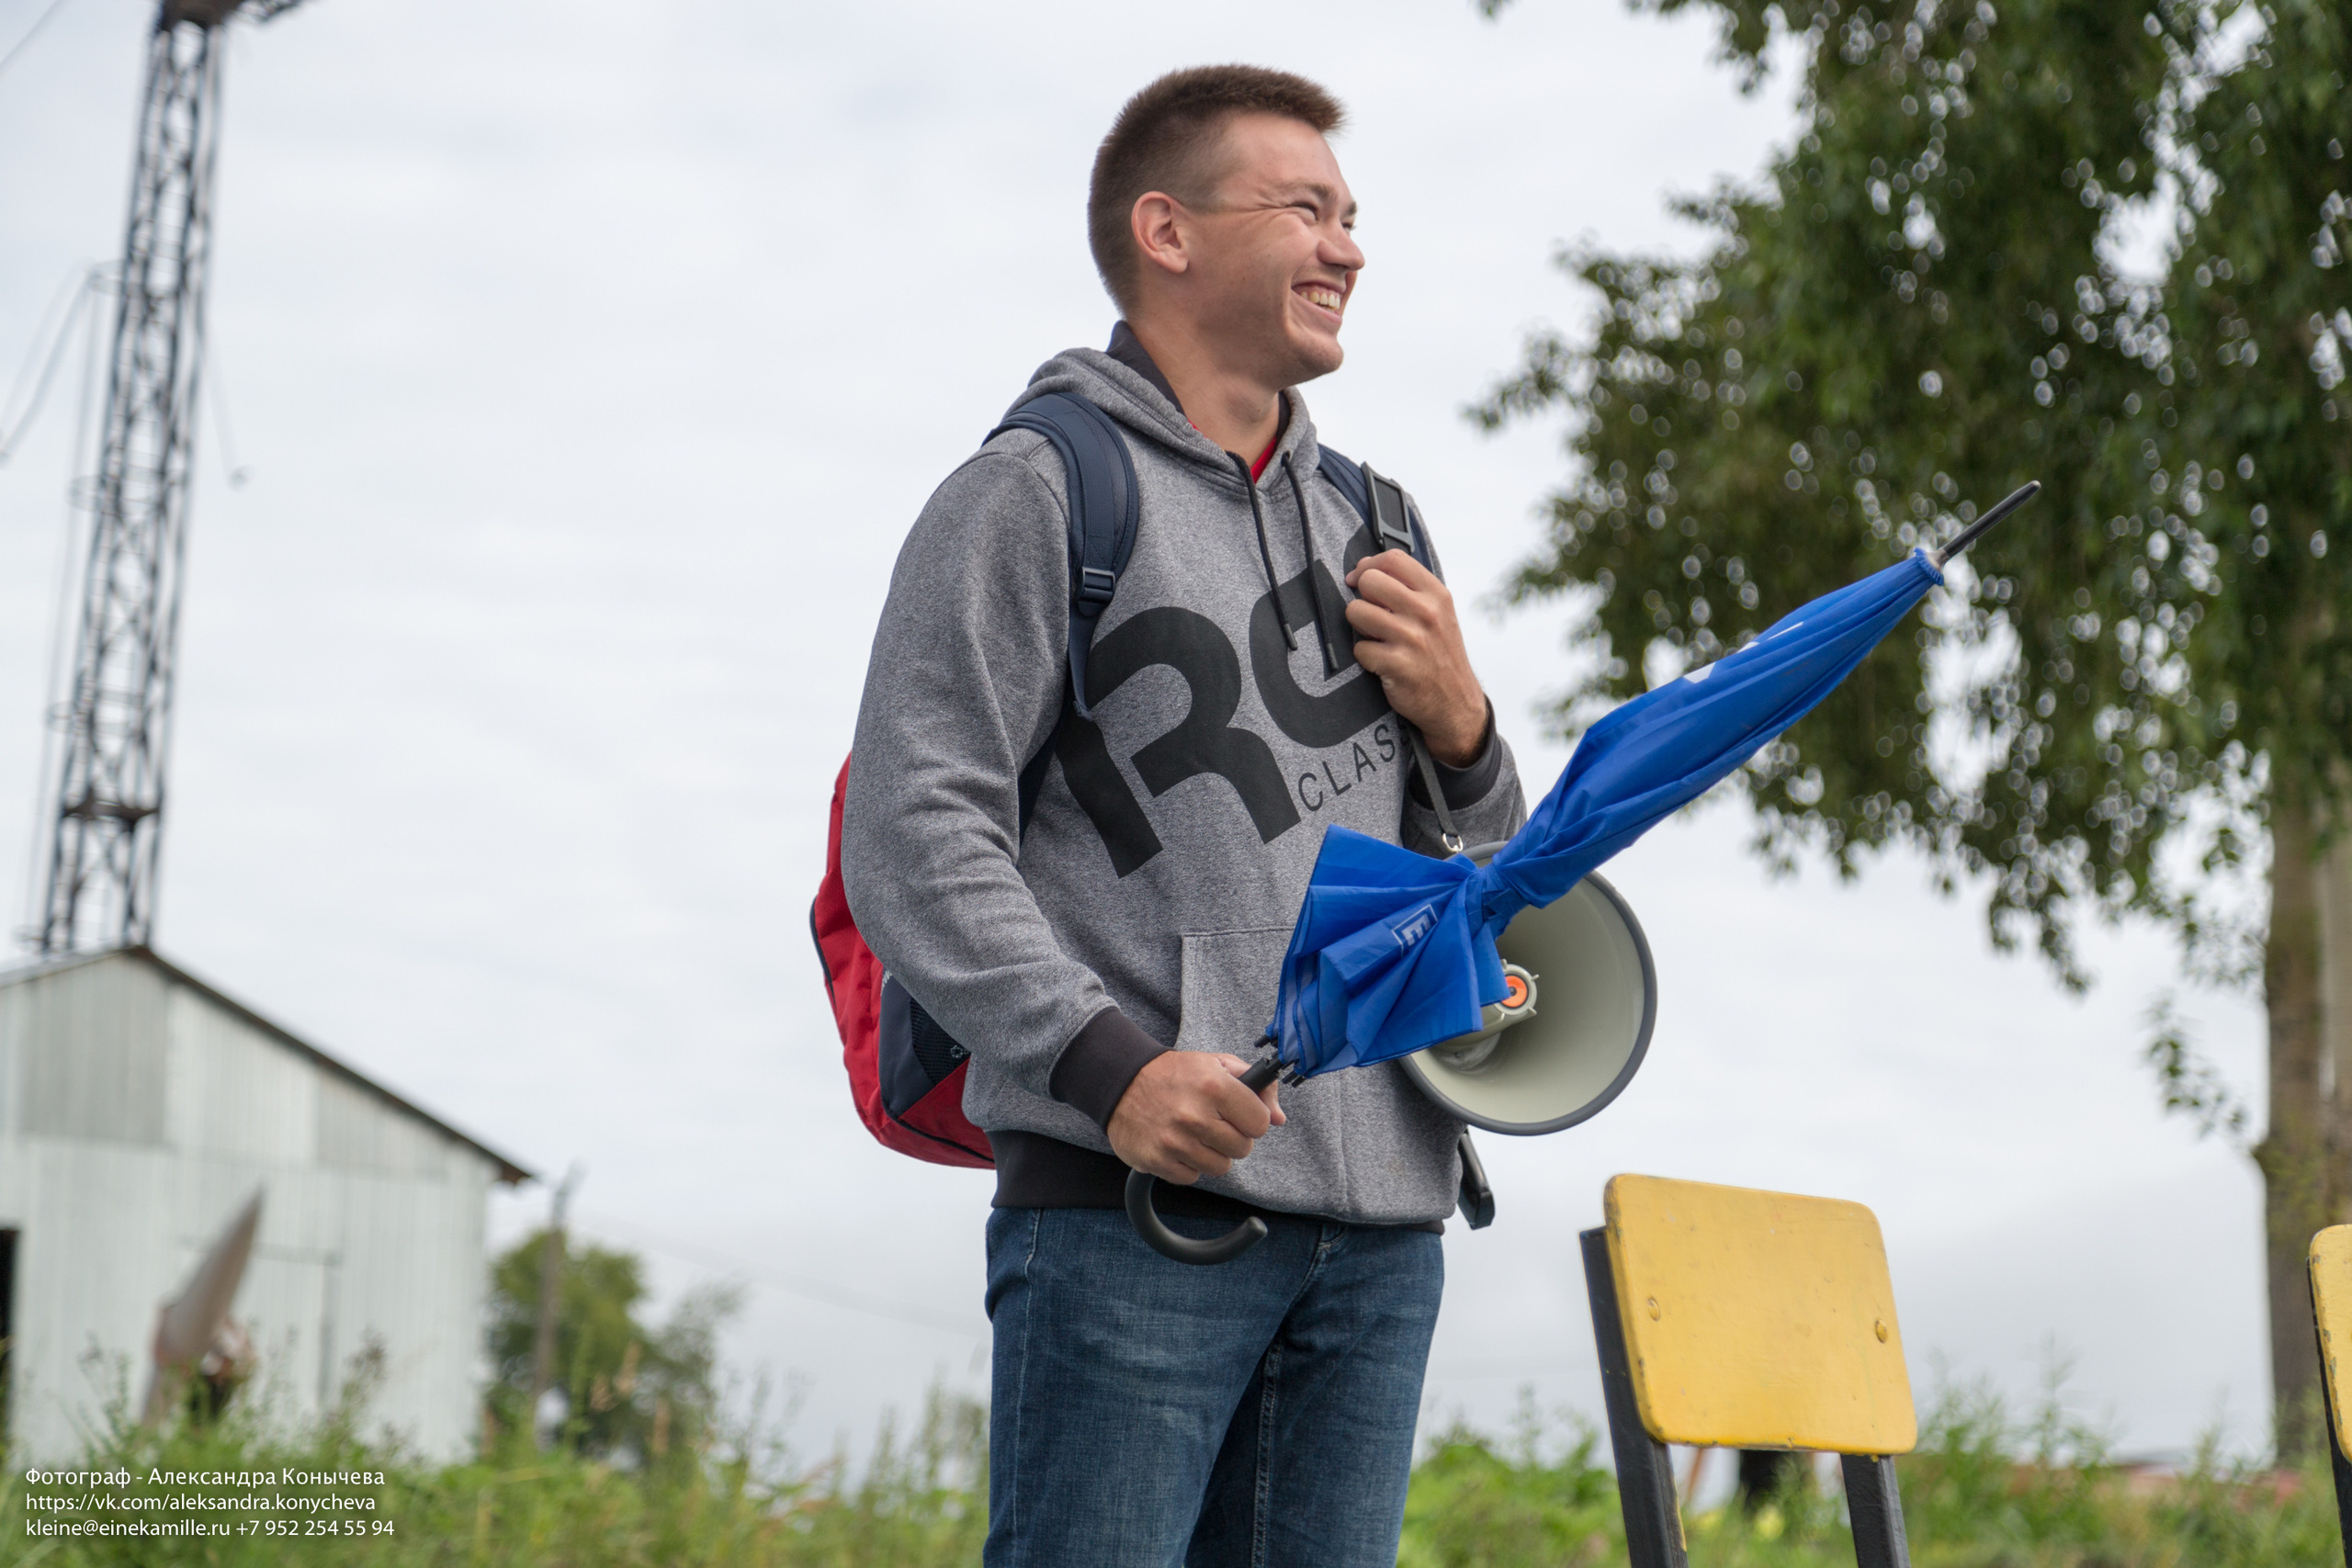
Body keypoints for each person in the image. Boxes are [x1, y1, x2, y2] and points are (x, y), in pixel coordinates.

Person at [842, 63, 1526, 1567]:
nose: (1349, 247)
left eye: (1354, 218)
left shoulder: (1383, 528)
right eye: (1306, 209)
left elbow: (1480, 871)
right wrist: (1113, 1073)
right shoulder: (1031, 495)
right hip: (1139, 1215)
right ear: (1167, 229)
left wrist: (1468, 728)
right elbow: (911, 831)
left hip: (1384, 1227)